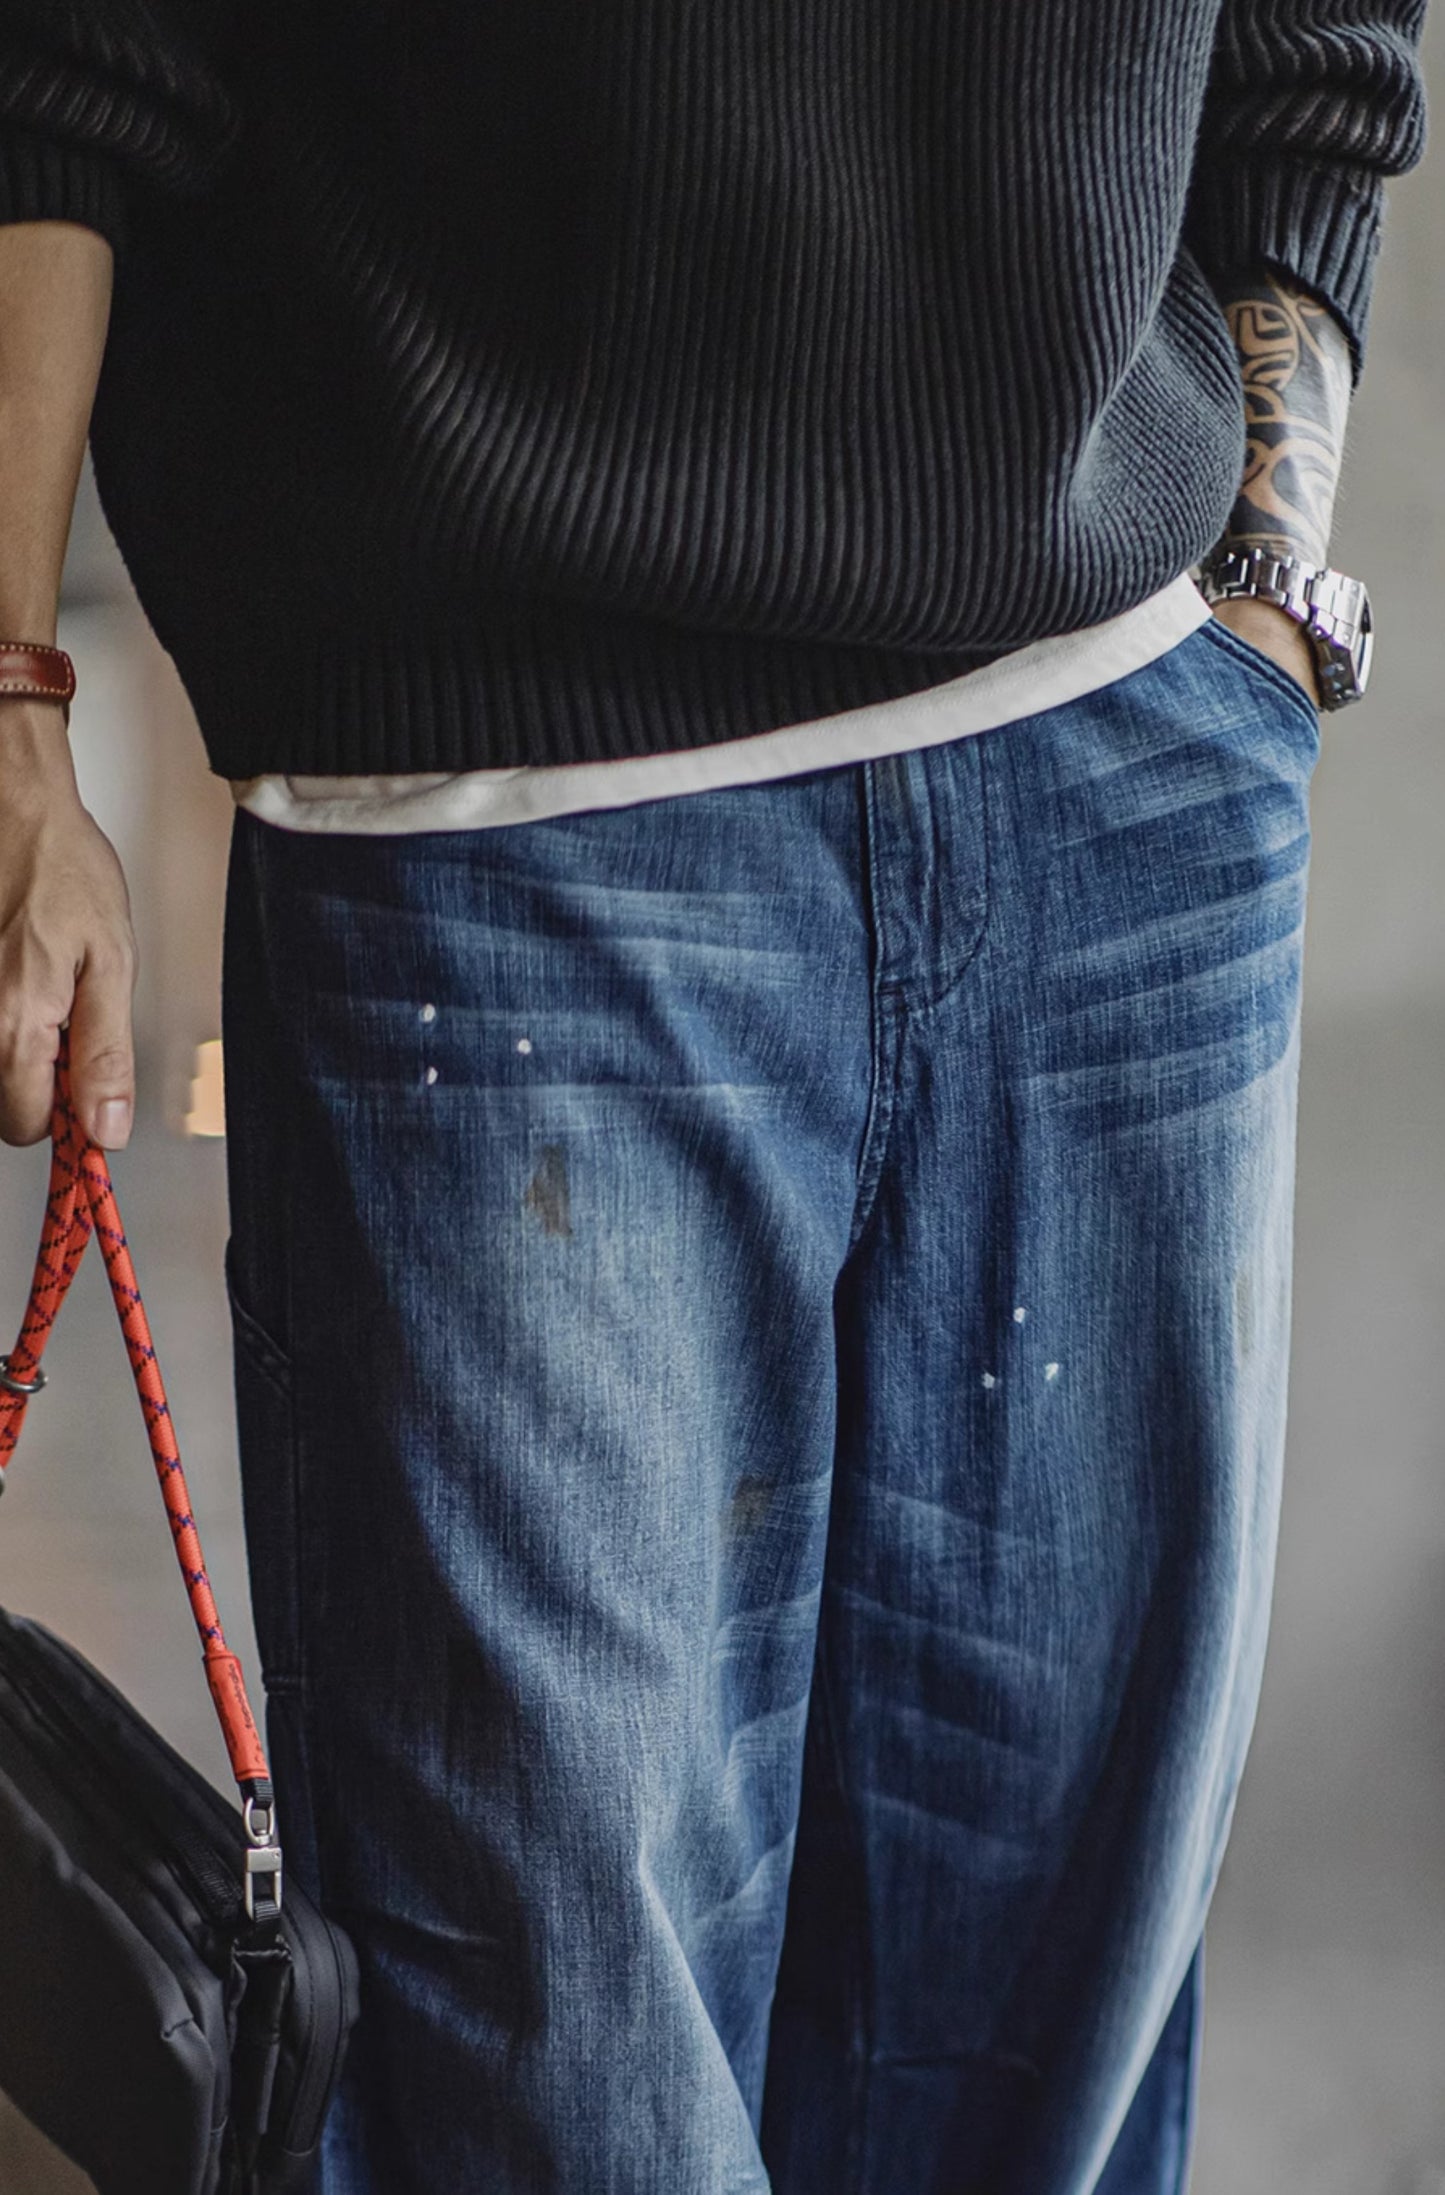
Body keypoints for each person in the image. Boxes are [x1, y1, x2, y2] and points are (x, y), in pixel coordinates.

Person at [0, 3, 1430, 2188]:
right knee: (553, 2117)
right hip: (511, 821)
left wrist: (1263, 549)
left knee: (1046, 2082)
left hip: (1127, 746)